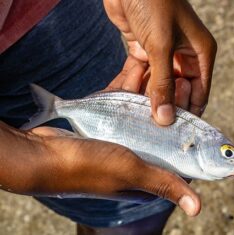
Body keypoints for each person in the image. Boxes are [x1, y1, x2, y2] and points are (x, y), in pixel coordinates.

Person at [0, 0, 217, 234]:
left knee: (137, 209)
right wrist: (36, 158)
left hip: (53, 9)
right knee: (123, 208)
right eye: (227, 152)